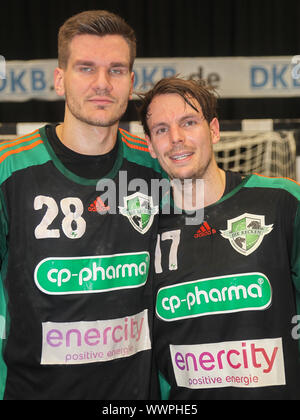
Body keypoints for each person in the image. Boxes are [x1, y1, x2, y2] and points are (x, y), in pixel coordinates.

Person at [0, 10, 163, 400]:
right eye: (86, 68)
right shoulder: (10, 168)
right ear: (60, 79)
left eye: (116, 70)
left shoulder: (157, 167)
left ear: (131, 83)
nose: (102, 83)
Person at [138, 76, 300, 400]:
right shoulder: (143, 229)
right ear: (150, 146)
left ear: (213, 130)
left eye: (188, 122)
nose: (176, 139)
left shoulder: (281, 201)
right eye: (161, 130)